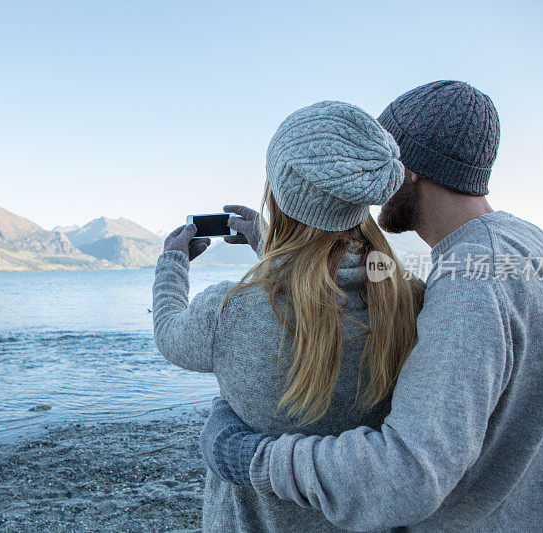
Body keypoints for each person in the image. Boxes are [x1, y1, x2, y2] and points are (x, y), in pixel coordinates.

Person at [200, 81, 543, 531]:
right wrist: (276, 245)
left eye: (375, 163)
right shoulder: (535, 248)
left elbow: (403, 479)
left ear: (408, 171)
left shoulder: (467, 288)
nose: (363, 182)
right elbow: (387, 282)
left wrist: (250, 456)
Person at [152, 101, 424, 532]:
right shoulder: (407, 299)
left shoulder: (230, 310)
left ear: (279, 196)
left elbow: (170, 335)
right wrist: (269, 246)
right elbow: (326, 290)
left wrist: (172, 263)